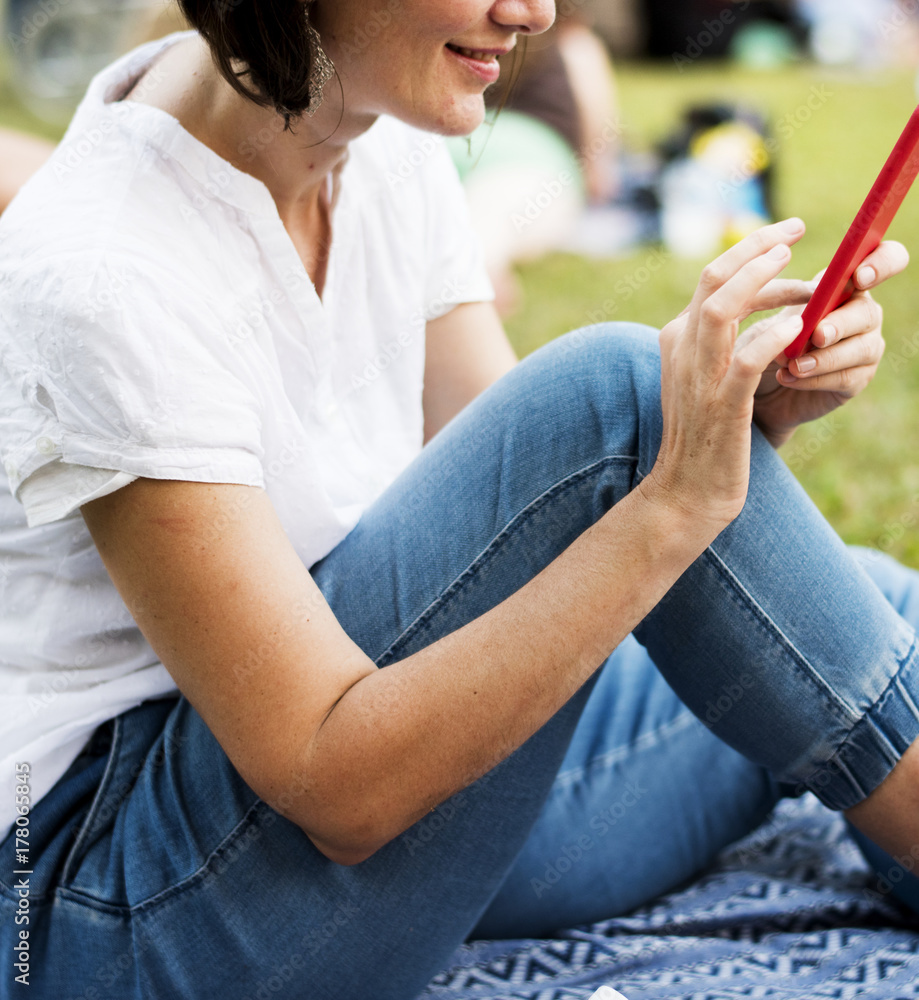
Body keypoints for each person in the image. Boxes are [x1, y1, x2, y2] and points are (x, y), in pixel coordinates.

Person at [1, 3, 918, 999]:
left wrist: (734, 432)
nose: (534, 10)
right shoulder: (104, 270)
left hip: (357, 761)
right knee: (620, 398)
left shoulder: (383, 139)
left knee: (869, 608)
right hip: (117, 904)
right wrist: (671, 502)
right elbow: (333, 783)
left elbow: (545, 515)